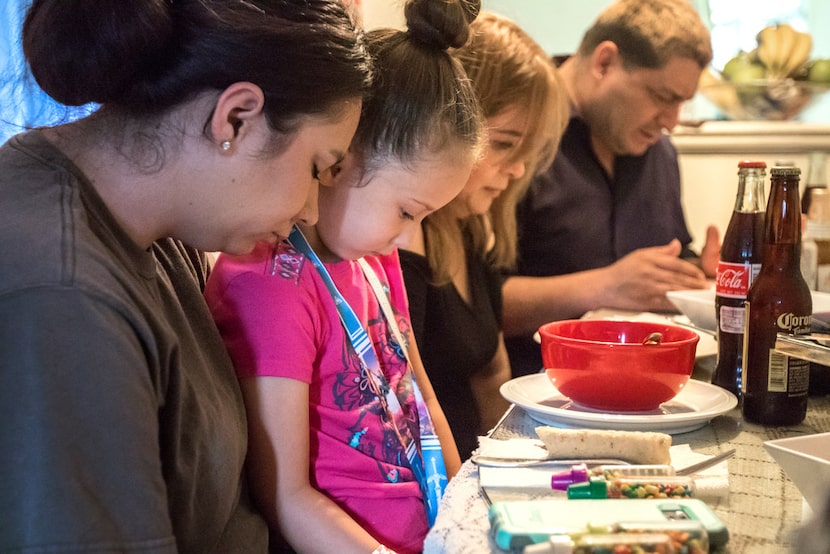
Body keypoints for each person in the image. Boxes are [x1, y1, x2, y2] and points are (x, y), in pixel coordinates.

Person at [0, 1, 372, 552]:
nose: (312, 211)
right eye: (317, 168)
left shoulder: (164, 234)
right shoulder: (63, 294)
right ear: (236, 118)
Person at [203, 1, 485, 552]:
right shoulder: (269, 285)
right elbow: (286, 495)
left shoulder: (375, 259)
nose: (408, 237)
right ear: (339, 162)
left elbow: (418, 394)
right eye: (407, 211)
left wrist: (463, 522)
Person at [503, 0, 721, 376]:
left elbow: (661, 257)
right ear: (604, 62)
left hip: (651, 385)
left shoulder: (658, 151)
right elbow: (471, 307)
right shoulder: (514, 136)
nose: (671, 121)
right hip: (541, 390)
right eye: (662, 97)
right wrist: (603, 287)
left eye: (682, 103)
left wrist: (696, 274)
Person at [399, 12, 569, 460]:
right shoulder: (401, 235)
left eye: (526, 154)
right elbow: (406, 409)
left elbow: (494, 377)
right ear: (447, 126)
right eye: (504, 144)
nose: (517, 171)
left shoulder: (475, 227)